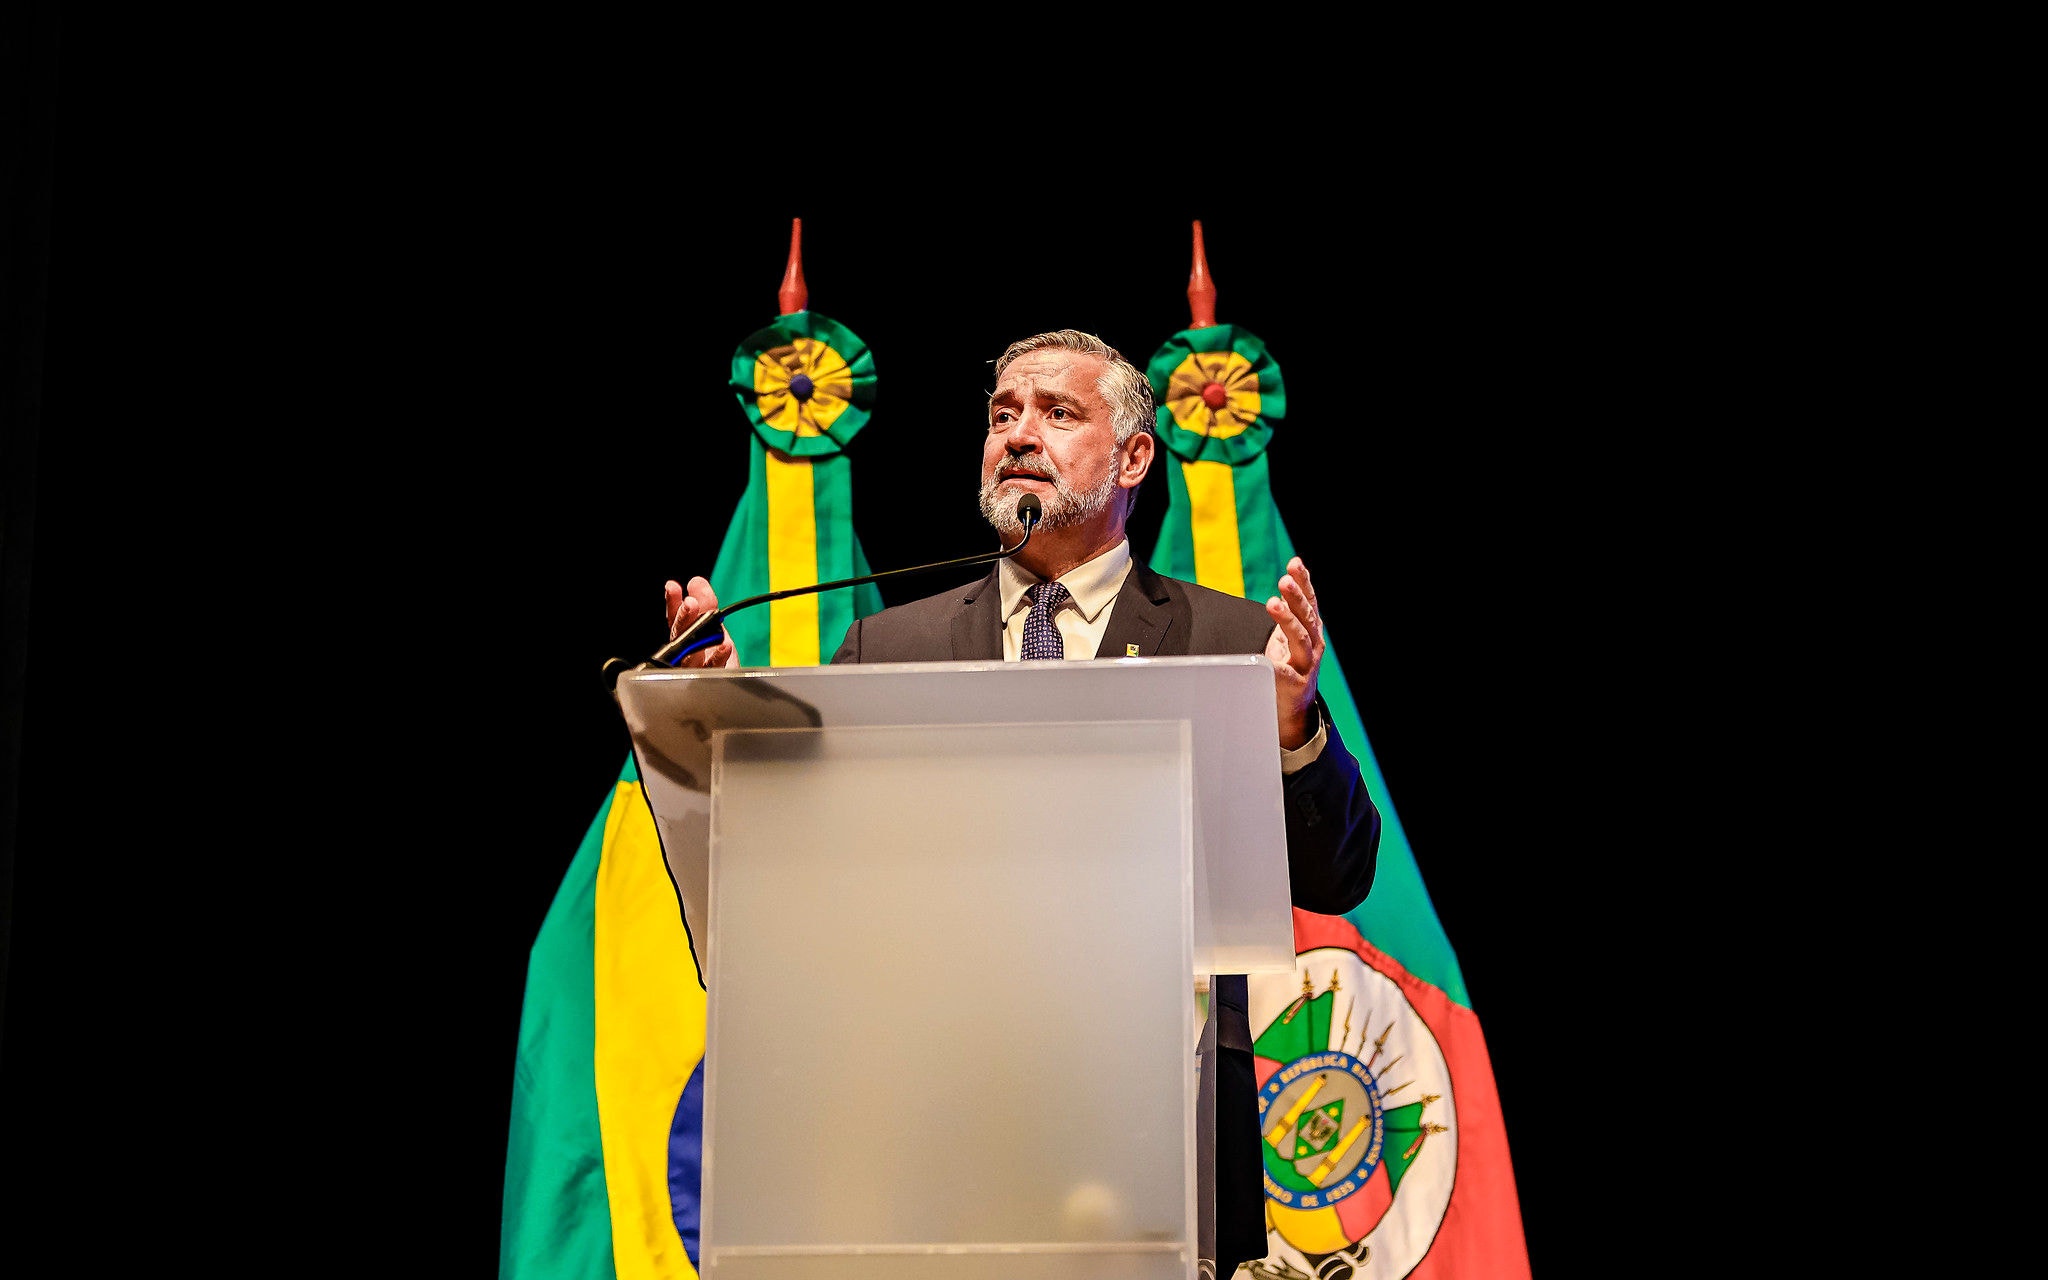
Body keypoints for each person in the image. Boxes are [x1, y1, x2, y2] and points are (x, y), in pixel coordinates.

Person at [661, 329, 1379, 1276]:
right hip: (937, 1146)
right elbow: (811, 900)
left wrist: (1292, 730)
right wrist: (715, 724)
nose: (1018, 434)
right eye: (1002, 415)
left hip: (1159, 1145)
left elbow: (1338, 877)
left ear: (1132, 456)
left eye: (1057, 412)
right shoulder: (890, 646)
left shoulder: (1230, 638)